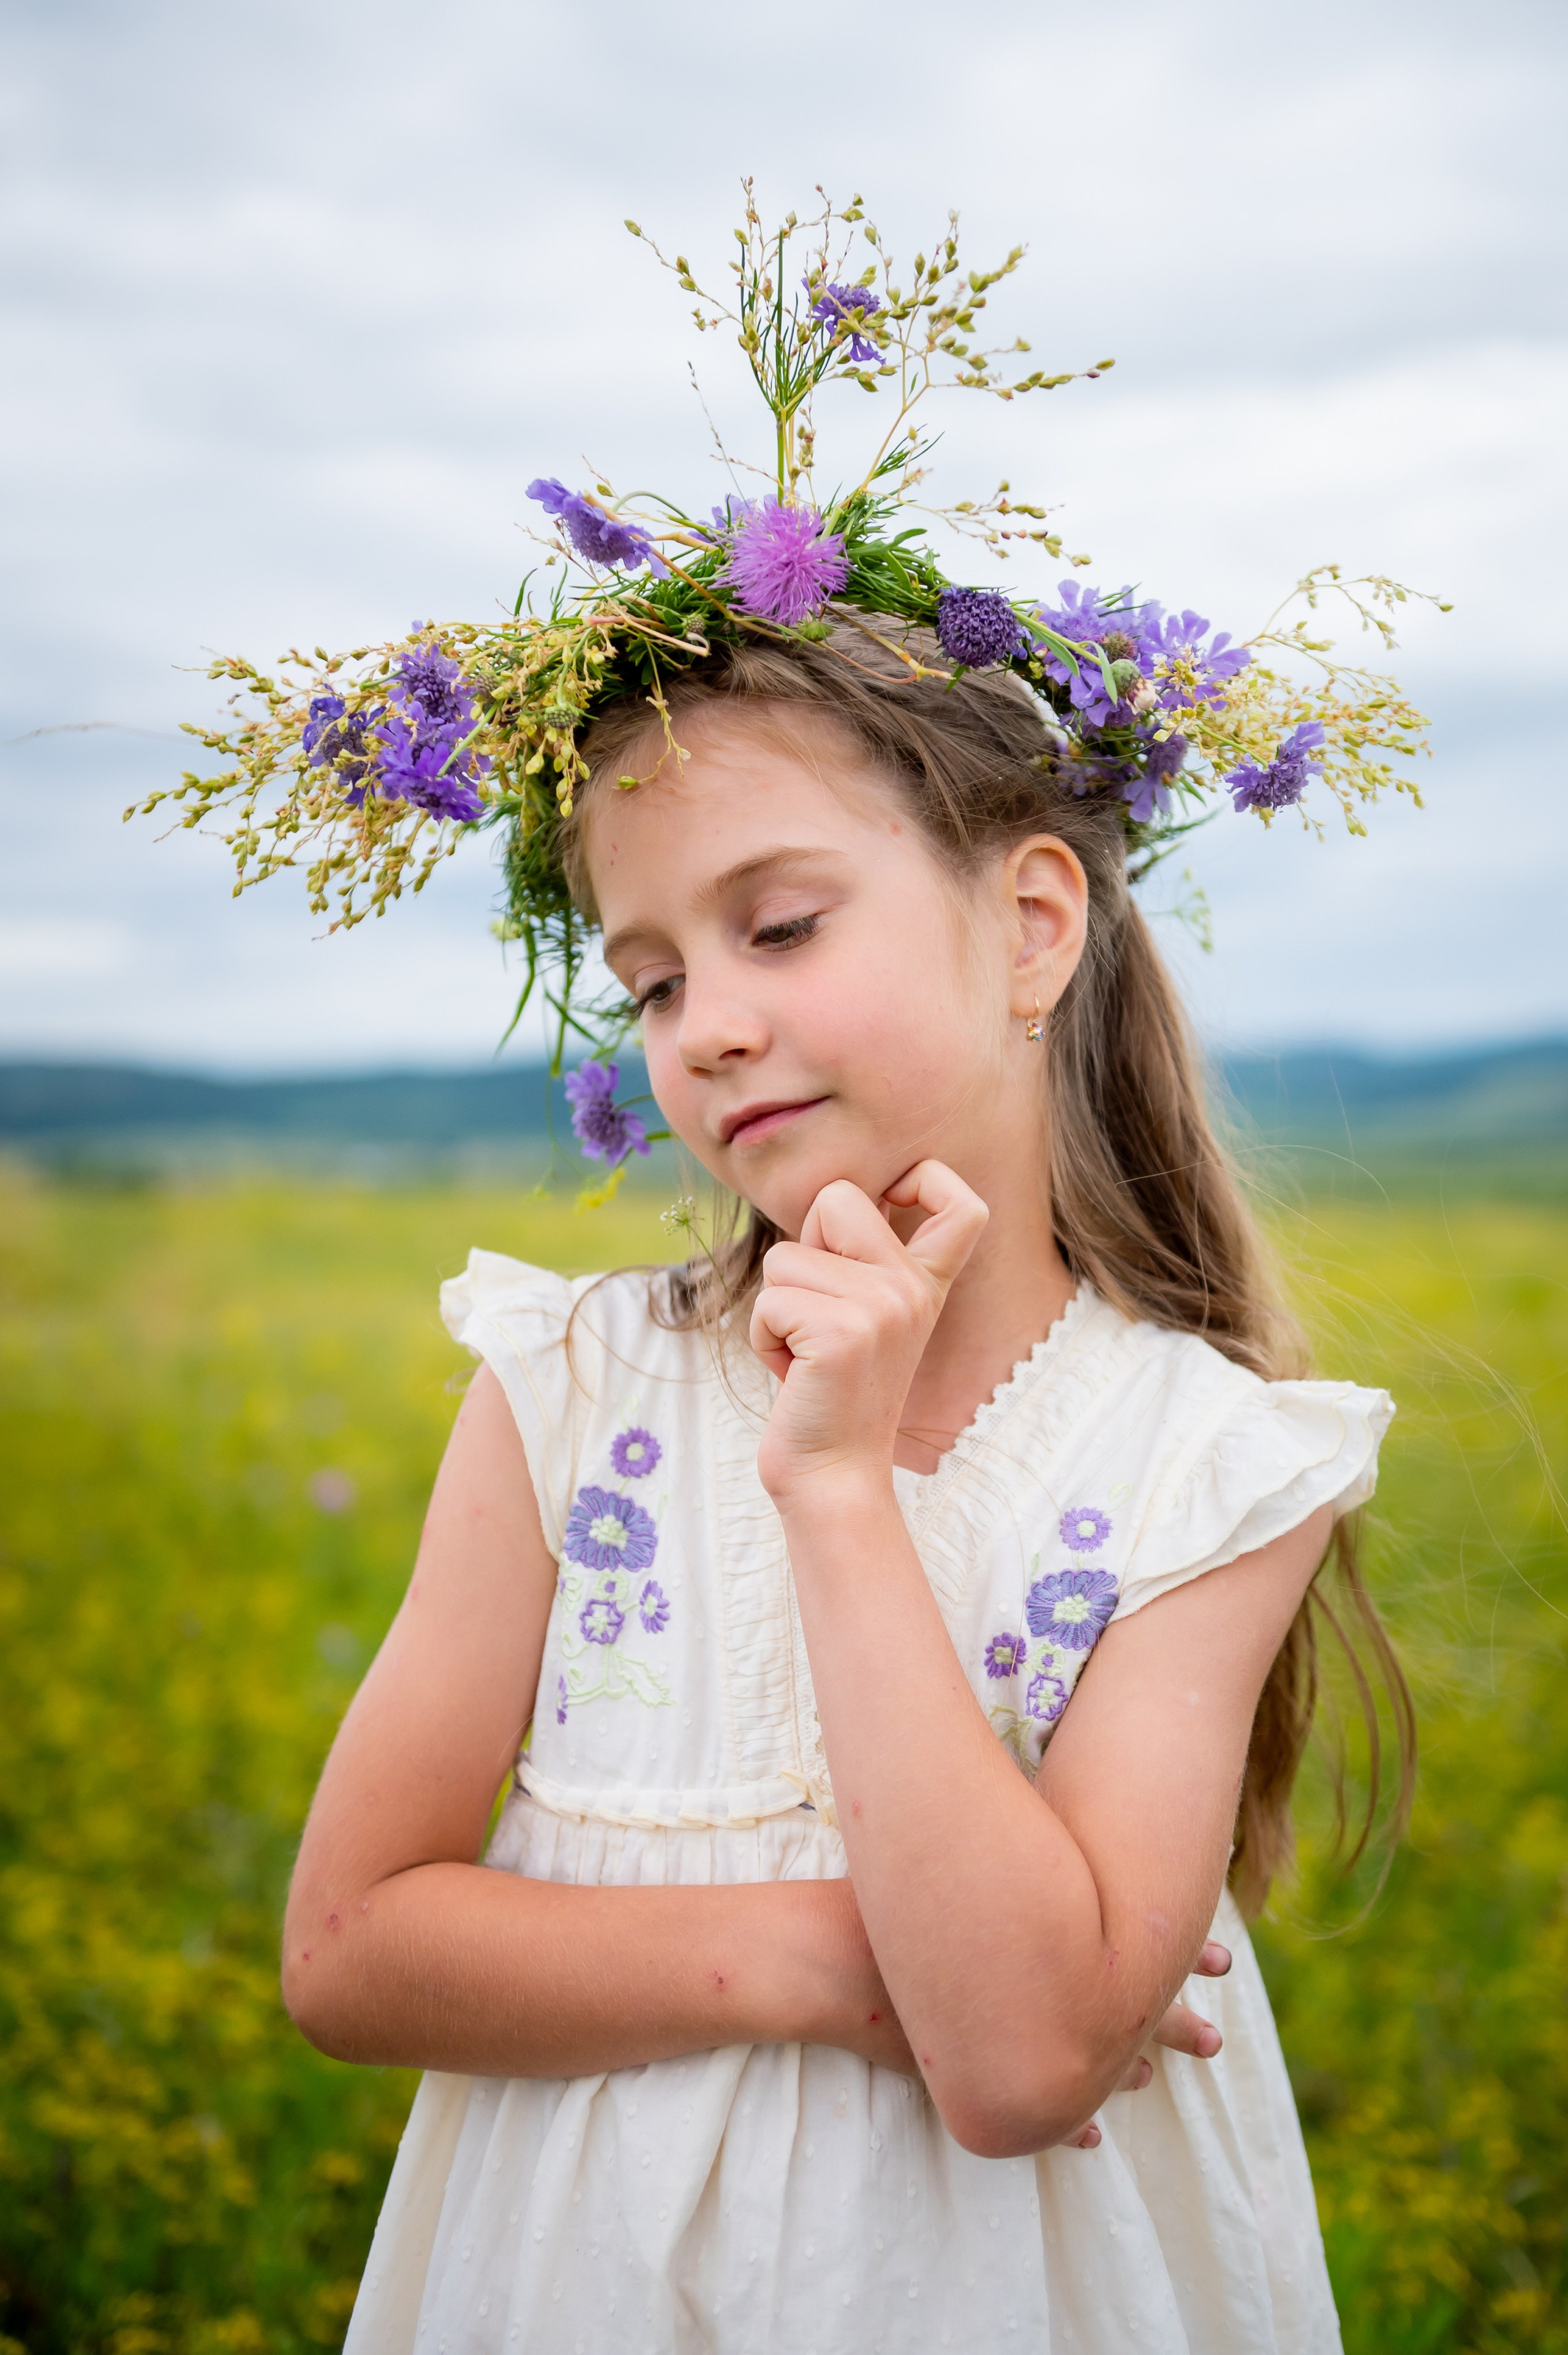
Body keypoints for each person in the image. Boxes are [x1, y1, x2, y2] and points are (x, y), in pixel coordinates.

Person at [282, 622, 1403, 2352]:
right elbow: (348, 1945)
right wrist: (840, 1957)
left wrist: (834, 1490)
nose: (708, 1027)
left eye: (781, 926)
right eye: (650, 980)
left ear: (1032, 925)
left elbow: (1023, 2059)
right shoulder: (570, 1393)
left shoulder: (1211, 1465)